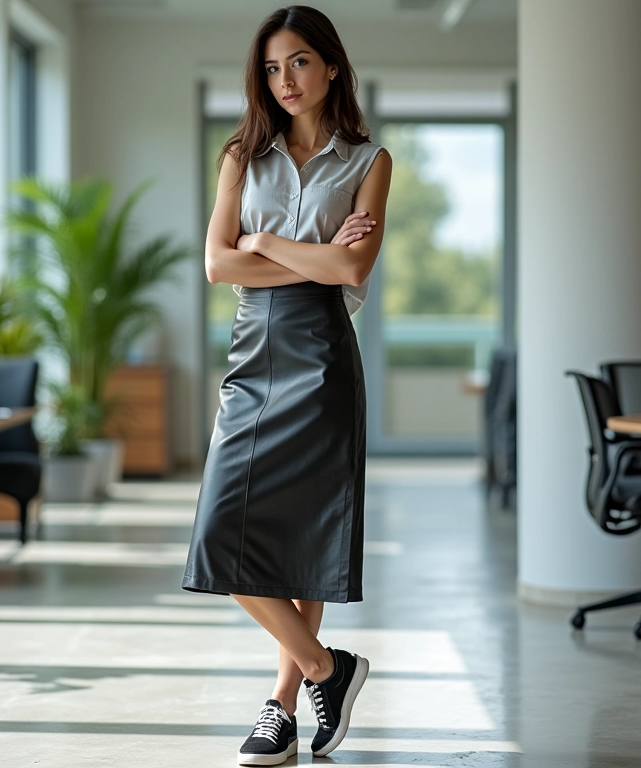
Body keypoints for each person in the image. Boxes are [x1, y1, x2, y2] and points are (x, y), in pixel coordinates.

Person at [181, 5, 392, 765]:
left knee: (305, 541)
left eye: (299, 62)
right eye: (272, 68)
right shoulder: (241, 154)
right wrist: (312, 253)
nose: (285, 80)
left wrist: (265, 241)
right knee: (219, 535)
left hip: (325, 355)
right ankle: (327, 670)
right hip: (255, 354)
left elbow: (351, 271)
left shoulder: (369, 163)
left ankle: (281, 709)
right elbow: (215, 264)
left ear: (331, 66)